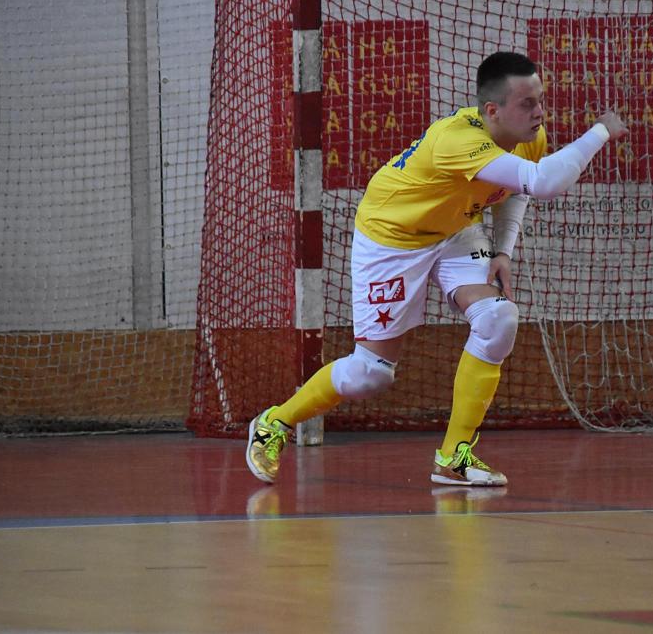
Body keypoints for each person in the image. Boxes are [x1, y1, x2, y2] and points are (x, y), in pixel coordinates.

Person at [246, 51, 626, 486]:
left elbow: (519, 188)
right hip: (394, 237)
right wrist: (601, 130)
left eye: (540, 100)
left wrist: (503, 251)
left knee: (499, 318)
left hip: (456, 230)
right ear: (492, 110)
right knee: (370, 373)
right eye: (527, 104)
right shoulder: (457, 140)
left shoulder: (528, 136)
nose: (539, 112)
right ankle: (274, 422)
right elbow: (544, 182)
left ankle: (454, 457)